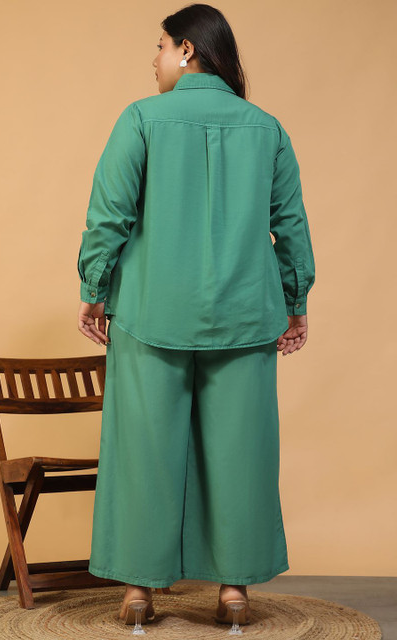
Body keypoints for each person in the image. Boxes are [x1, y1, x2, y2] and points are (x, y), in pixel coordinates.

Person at [77, 3, 315, 628]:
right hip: (245, 315)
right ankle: (233, 592)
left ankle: (138, 591)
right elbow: (290, 225)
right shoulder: (267, 129)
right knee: (241, 452)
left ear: (186, 49)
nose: (154, 61)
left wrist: (94, 288)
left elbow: (109, 214)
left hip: (151, 311)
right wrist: (295, 304)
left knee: (143, 450)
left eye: (159, 47)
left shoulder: (141, 119)